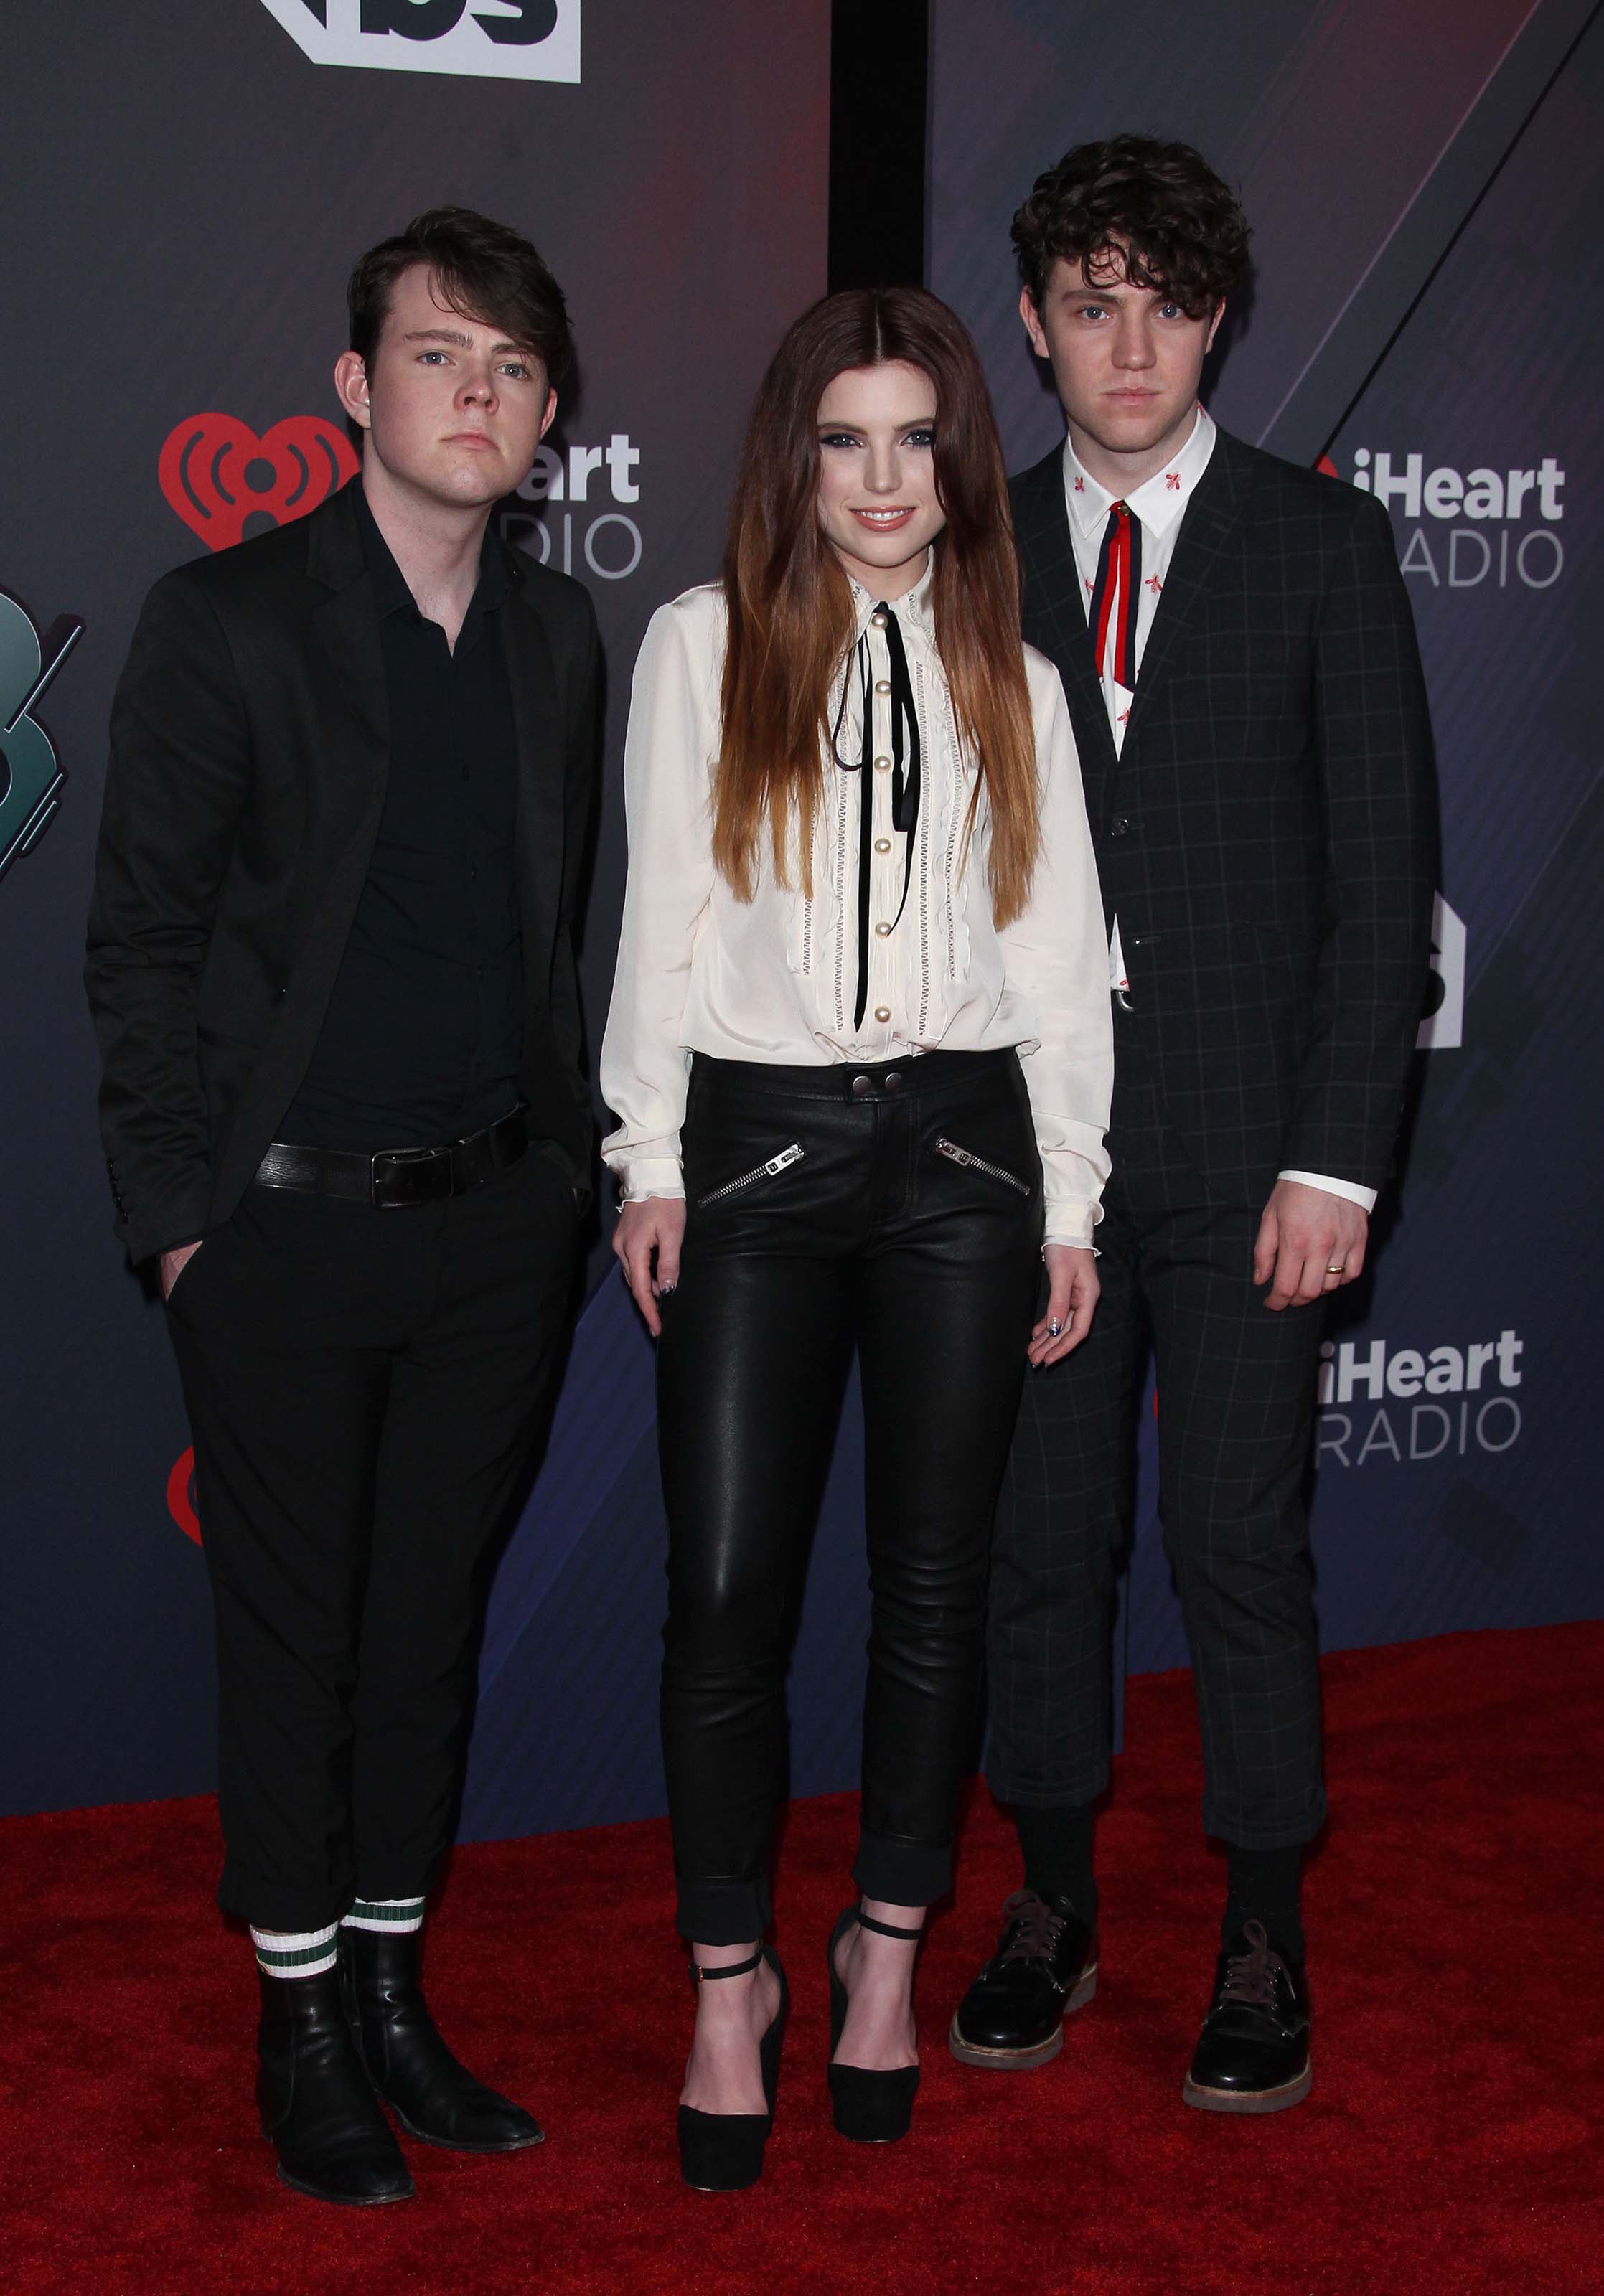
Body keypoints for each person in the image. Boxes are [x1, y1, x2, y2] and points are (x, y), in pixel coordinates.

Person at [85, 207, 600, 2206]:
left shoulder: (560, 636)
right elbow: (138, 948)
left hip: (496, 1234)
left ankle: (392, 1988)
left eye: (511, 368)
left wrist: (567, 1184)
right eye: (437, 355)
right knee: (290, 1638)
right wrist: (179, 1221)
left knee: (420, 1638)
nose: (474, 395)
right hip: (281, 1236)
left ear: (548, 414)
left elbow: (566, 941)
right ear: (353, 388)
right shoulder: (226, 622)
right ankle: (295, 2015)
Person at [601, 287, 1112, 2189]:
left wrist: (1065, 1192)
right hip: (755, 1155)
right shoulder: (698, 646)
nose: (883, 480)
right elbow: (659, 910)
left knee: (934, 1590)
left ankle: (882, 1953)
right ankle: (728, 1982)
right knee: (726, 1593)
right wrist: (646, 1155)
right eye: (844, 439)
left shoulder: (1019, 679)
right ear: (791, 457)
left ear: (958, 460)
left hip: (966, 1163)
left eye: (916, 440)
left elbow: (1061, 955)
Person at [948, 136, 1437, 2112]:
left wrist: (1337, 1156)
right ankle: (1049, 1906)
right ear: (1033, 326)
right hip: (1026, 1150)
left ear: (1213, 316)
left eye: (1160, 299)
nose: (1124, 339)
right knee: (1040, 1547)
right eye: (1087, 300)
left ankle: (1259, 1934)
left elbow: (1378, 871)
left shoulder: (1321, 545)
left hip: (1252, 1149)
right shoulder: (962, 546)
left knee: (1238, 1547)